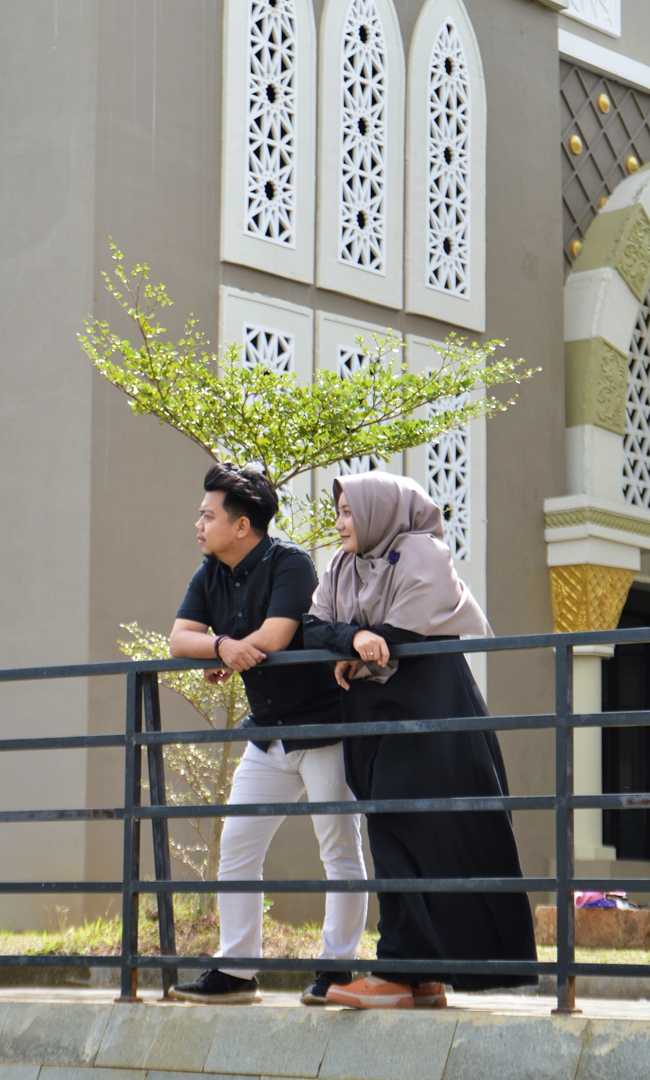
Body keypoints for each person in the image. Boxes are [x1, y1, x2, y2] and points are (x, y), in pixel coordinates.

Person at [303, 471, 538, 1010]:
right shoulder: (341, 565)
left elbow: (404, 636)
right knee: (395, 833)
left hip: (429, 713)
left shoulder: (421, 551)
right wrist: (355, 637)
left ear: (380, 511)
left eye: (349, 512)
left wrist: (358, 644)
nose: (340, 524)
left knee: (412, 834)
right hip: (374, 718)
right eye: (338, 512)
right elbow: (312, 628)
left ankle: (397, 972)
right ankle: (421, 978)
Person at [168, 463, 367, 1005]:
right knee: (238, 845)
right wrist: (221, 648)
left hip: (323, 727)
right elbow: (179, 638)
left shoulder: (291, 563)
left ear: (242, 526)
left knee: (339, 849)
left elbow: (276, 636)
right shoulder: (209, 572)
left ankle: (338, 969)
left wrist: (230, 652)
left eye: (207, 516)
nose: (198, 525)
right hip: (268, 732)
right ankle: (236, 972)